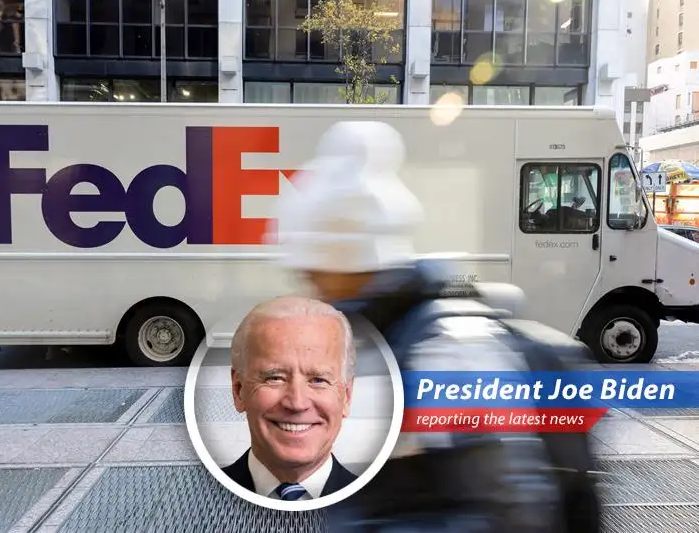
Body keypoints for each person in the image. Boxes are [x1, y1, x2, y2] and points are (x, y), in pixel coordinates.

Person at [270, 120, 600, 532]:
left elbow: (513, 512)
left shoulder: (445, 351)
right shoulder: (379, 336)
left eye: (316, 273)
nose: (312, 288)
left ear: (348, 260)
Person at [222, 295, 358, 501]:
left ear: (346, 396)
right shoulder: (189, 501)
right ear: (238, 389)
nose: (297, 403)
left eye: (319, 380)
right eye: (274, 378)